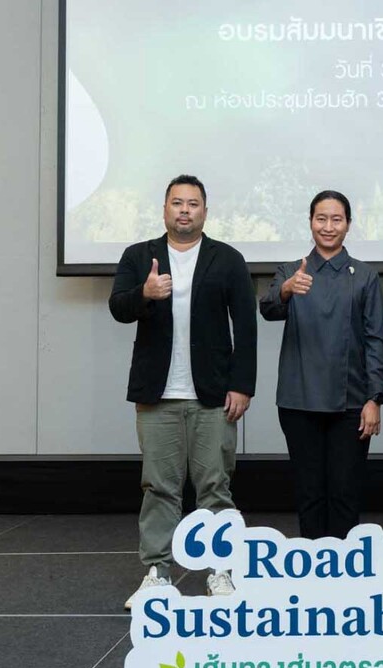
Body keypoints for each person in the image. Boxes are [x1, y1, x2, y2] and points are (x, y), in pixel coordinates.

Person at [109, 174, 257, 609]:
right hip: (157, 394)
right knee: (158, 486)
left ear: (205, 211)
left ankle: (221, 570)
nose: (185, 210)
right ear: (165, 210)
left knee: (216, 486)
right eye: (177, 203)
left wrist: (242, 385)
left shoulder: (227, 259)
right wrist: (145, 293)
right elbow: (118, 307)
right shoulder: (139, 256)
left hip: (213, 394)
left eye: (193, 204)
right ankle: (157, 572)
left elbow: (246, 327)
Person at [260, 191, 383, 539]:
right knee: (309, 494)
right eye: (321, 218)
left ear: (348, 224)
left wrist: (374, 398)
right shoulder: (291, 271)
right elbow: (268, 309)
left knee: (345, 495)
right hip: (298, 401)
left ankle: (344, 565)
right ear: (310, 222)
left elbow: (377, 340)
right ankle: (313, 564)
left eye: (337, 219)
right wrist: (286, 290)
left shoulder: (364, 276)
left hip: (351, 403)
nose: (328, 226)